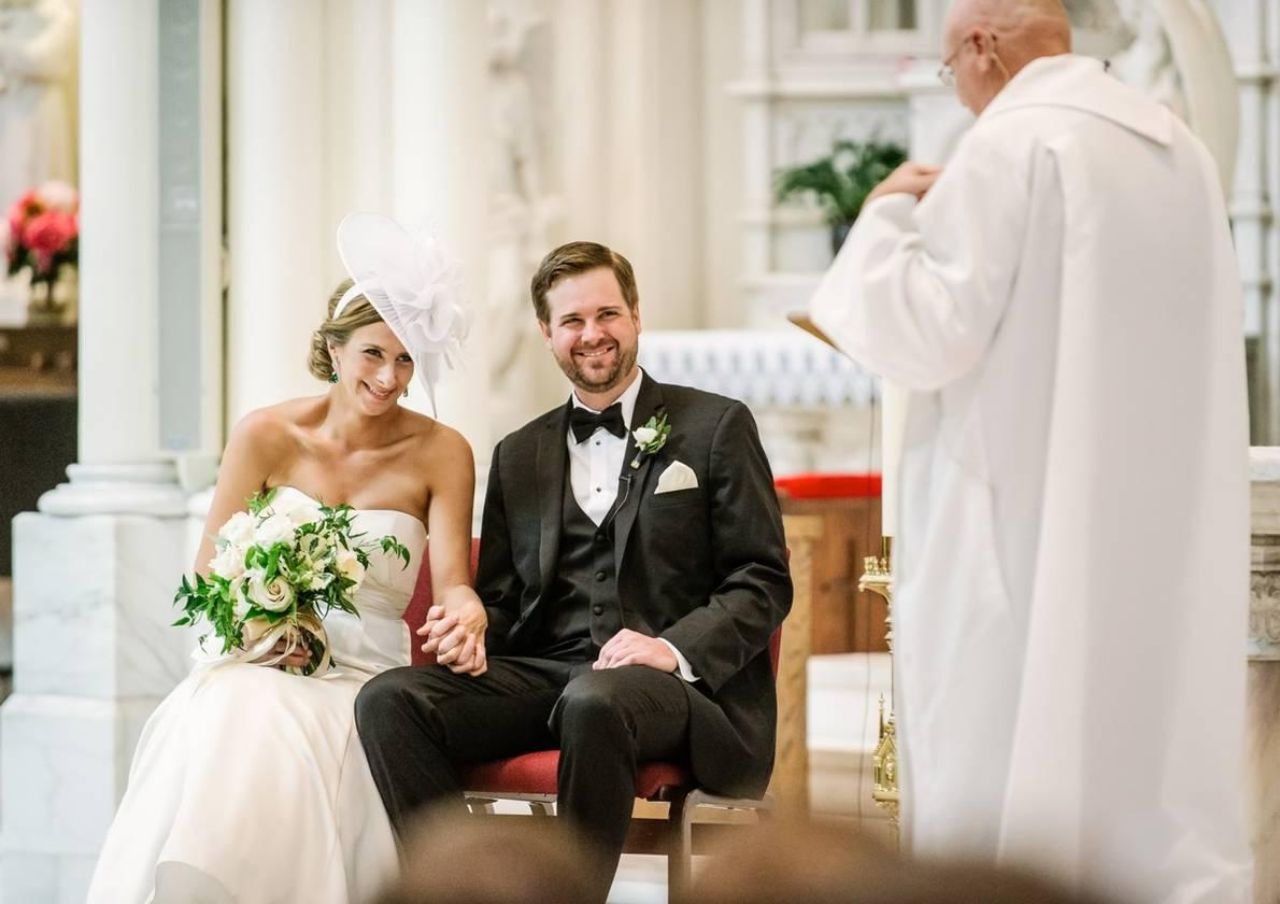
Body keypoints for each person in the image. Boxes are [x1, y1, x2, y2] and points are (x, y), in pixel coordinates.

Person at [808, 1, 1252, 901]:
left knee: (1018, 735)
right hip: (1159, 518)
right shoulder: (1181, 151)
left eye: (946, 70)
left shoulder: (1013, 145)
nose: (957, 92)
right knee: (1151, 738)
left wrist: (885, 218)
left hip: (1026, 517)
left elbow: (928, 333)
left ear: (981, 48)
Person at [356, 240, 793, 901]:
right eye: (572, 321)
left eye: (607, 314)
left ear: (637, 316)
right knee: (390, 702)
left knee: (597, 699)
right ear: (546, 334)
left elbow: (762, 580)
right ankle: (458, 889)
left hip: (675, 691)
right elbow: (501, 601)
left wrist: (669, 648)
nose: (592, 335)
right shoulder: (517, 454)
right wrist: (473, 628)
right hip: (547, 671)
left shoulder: (714, 427)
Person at [86, 214, 476, 903]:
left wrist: (465, 612)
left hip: (364, 679)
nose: (389, 377)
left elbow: (452, 586)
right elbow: (210, 579)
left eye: (407, 358)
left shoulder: (443, 451)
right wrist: (261, 632)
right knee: (225, 706)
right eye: (373, 354)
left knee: (268, 721)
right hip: (261, 655)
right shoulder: (264, 434)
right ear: (333, 348)